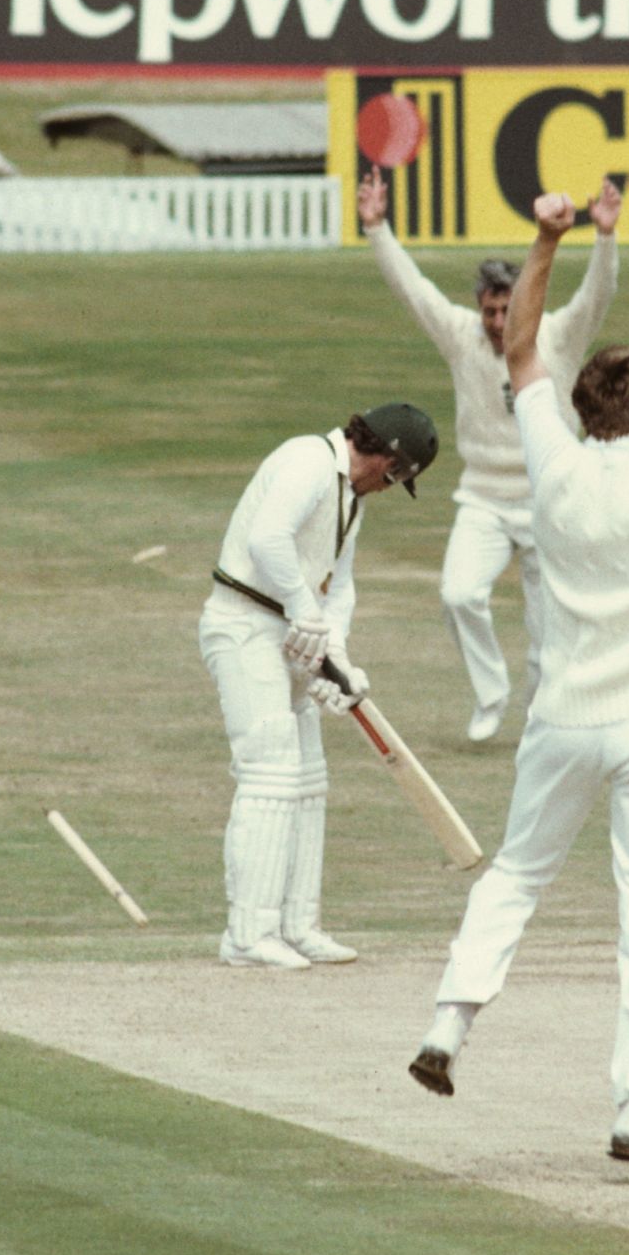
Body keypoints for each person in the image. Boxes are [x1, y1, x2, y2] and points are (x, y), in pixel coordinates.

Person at [411, 193, 629, 1168]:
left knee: (517, 872)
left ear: (581, 408)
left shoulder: (551, 464)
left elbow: (518, 350)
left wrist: (549, 237)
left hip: (563, 715)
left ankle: (448, 1025)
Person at [359, 166, 625, 740]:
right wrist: (376, 227)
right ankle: (490, 695)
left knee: (548, 628)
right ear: (479, 307)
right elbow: (415, 292)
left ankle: (537, 717)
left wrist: (605, 237)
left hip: (549, 497)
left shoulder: (558, 335)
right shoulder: (461, 335)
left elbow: (598, 295)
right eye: (490, 311)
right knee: (458, 593)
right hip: (481, 495)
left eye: (507, 310)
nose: (499, 323)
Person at [204, 394, 443, 969]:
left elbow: (341, 585)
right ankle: (246, 936)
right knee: (270, 771)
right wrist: (301, 608)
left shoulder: (349, 499)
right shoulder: (307, 461)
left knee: (308, 779)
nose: (389, 488)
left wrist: (335, 654)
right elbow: (267, 539)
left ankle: (297, 925)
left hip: (291, 635)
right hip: (243, 625)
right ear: (389, 462)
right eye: (396, 478)